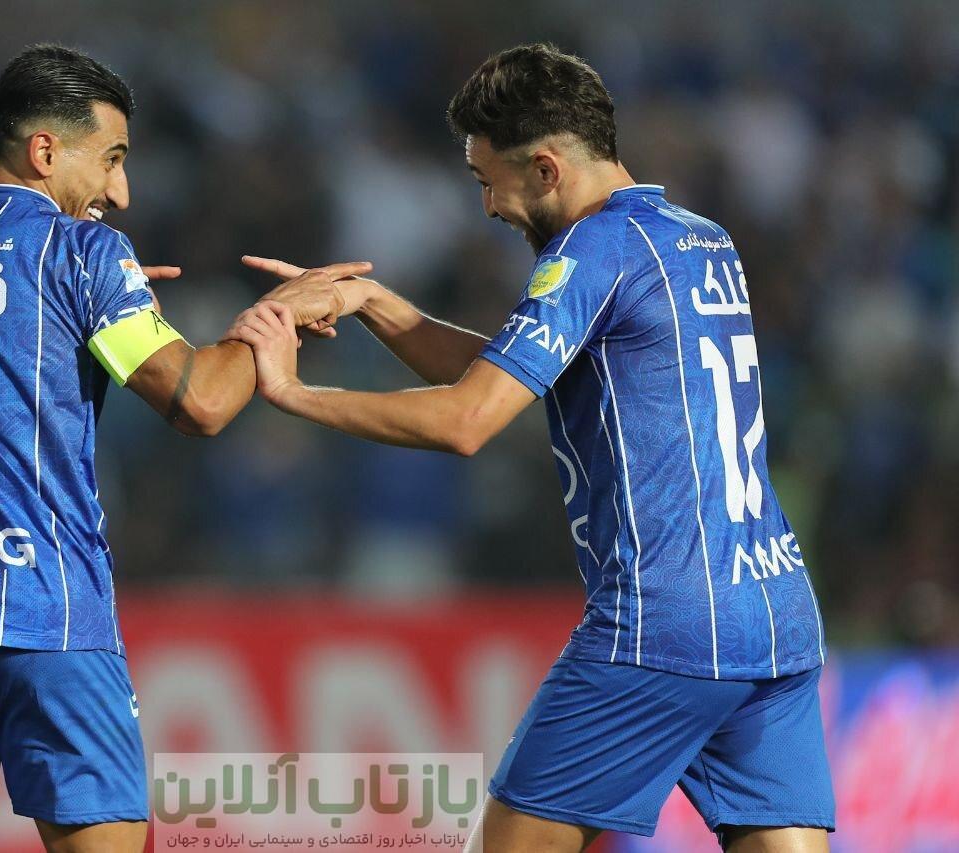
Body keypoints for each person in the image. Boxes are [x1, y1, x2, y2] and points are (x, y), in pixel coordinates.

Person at [232, 43, 835, 853]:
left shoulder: (593, 249)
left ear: (547, 168)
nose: (489, 206)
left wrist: (296, 393)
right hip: (775, 611)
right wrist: (374, 302)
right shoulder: (699, 238)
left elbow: (468, 418)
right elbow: (516, 372)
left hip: (666, 619)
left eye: (490, 181)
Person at [0, 44, 366, 853]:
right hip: (44, 606)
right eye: (112, 159)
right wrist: (276, 315)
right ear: (44, 151)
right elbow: (200, 401)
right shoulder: (84, 255)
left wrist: (83, 300)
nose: (120, 192)